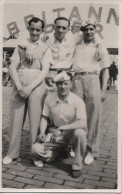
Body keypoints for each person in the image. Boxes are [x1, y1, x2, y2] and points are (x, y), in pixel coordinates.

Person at [3, 17, 52, 165]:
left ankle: (35, 154)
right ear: (28, 28)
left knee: (36, 120)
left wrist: (30, 88)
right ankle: (12, 153)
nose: (35, 32)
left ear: (42, 31)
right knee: (16, 118)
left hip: (36, 84)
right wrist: (19, 87)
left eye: (38, 30)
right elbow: (12, 67)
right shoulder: (20, 45)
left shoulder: (45, 47)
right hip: (19, 83)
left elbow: (45, 70)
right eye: (32, 29)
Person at [31, 72, 87, 178]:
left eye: (66, 83)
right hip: (55, 134)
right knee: (35, 149)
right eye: (60, 84)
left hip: (71, 132)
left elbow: (82, 122)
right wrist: (42, 132)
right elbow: (44, 117)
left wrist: (63, 128)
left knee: (80, 134)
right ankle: (59, 152)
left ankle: (77, 166)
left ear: (71, 84)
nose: (63, 87)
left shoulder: (77, 100)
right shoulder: (49, 98)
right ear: (56, 85)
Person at [72, 18, 109, 165]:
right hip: (76, 80)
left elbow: (105, 69)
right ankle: (76, 146)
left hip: (93, 79)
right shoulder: (76, 44)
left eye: (91, 29)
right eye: (86, 29)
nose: (89, 32)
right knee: (76, 115)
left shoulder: (100, 47)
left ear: (95, 30)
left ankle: (91, 151)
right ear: (82, 31)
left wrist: (104, 89)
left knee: (93, 116)